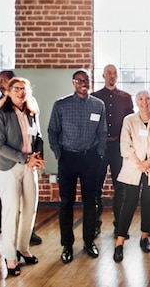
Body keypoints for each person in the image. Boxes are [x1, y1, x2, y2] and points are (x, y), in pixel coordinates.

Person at [0, 70, 42, 255]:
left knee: (28, 203)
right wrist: (0, 128)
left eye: (4, 81)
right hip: (4, 158)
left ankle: (25, 241)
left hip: (28, 159)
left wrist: (35, 156)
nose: (1, 84)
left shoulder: (30, 106)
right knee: (0, 201)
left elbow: (37, 134)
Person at [48, 69, 107, 264]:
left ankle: (89, 242)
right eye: (79, 80)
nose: (83, 83)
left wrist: (99, 154)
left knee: (90, 201)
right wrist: (58, 154)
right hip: (68, 158)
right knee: (66, 202)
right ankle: (67, 245)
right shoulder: (61, 105)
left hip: (90, 159)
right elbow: (52, 131)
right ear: (73, 83)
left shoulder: (98, 105)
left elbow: (102, 132)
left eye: (86, 80)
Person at [0, 77, 46, 276]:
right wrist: (25, 158)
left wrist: (37, 156)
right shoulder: (0, 114)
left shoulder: (31, 112)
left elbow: (38, 137)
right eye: (16, 89)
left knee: (30, 209)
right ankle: (10, 256)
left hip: (29, 167)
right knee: (12, 211)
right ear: (8, 91)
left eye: (24, 89)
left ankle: (23, 247)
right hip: (8, 168)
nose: (21, 92)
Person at [113, 90, 150, 262]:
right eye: (140, 98)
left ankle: (144, 237)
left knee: (148, 203)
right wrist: (141, 164)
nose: (144, 102)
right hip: (134, 167)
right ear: (136, 102)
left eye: (147, 98)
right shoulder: (129, 120)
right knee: (128, 203)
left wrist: (148, 162)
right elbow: (125, 145)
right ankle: (120, 241)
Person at [91, 64, 134, 238]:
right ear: (103, 75)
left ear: (117, 76)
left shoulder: (125, 97)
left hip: (118, 147)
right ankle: (95, 224)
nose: (111, 75)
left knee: (120, 188)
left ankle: (119, 226)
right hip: (99, 147)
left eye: (114, 73)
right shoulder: (94, 97)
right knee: (96, 188)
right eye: (108, 72)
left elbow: (131, 122)